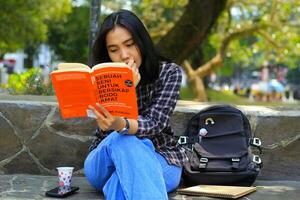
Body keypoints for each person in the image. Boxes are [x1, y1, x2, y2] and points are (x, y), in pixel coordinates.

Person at [84, 9, 188, 200]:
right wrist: (123, 91)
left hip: (160, 157)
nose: (124, 55)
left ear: (142, 42)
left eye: (130, 45)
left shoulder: (169, 73)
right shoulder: (103, 78)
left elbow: (155, 123)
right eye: (114, 50)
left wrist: (121, 120)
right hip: (104, 162)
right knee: (121, 140)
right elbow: (109, 136)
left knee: (121, 179)